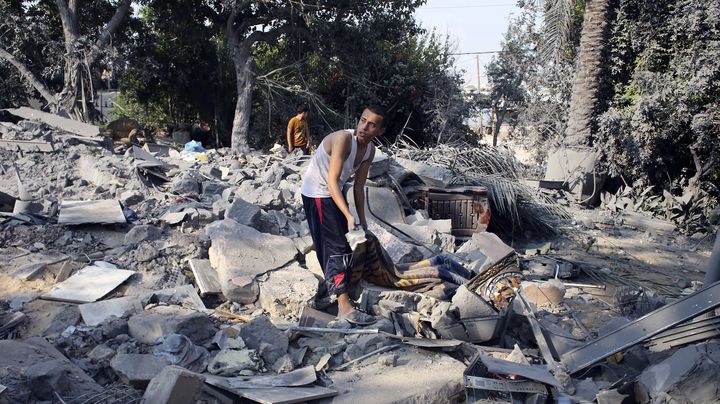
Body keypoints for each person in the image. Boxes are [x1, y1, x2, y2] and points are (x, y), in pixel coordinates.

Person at [300, 105, 386, 321]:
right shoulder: (343, 139)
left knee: (350, 243)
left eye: (372, 124)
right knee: (334, 248)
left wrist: (363, 221)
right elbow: (331, 181)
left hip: (332, 192)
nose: (364, 127)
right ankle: (343, 305)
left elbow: (358, 188)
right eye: (363, 120)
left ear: (379, 131)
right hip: (317, 193)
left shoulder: (369, 150)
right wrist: (348, 216)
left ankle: (348, 290)